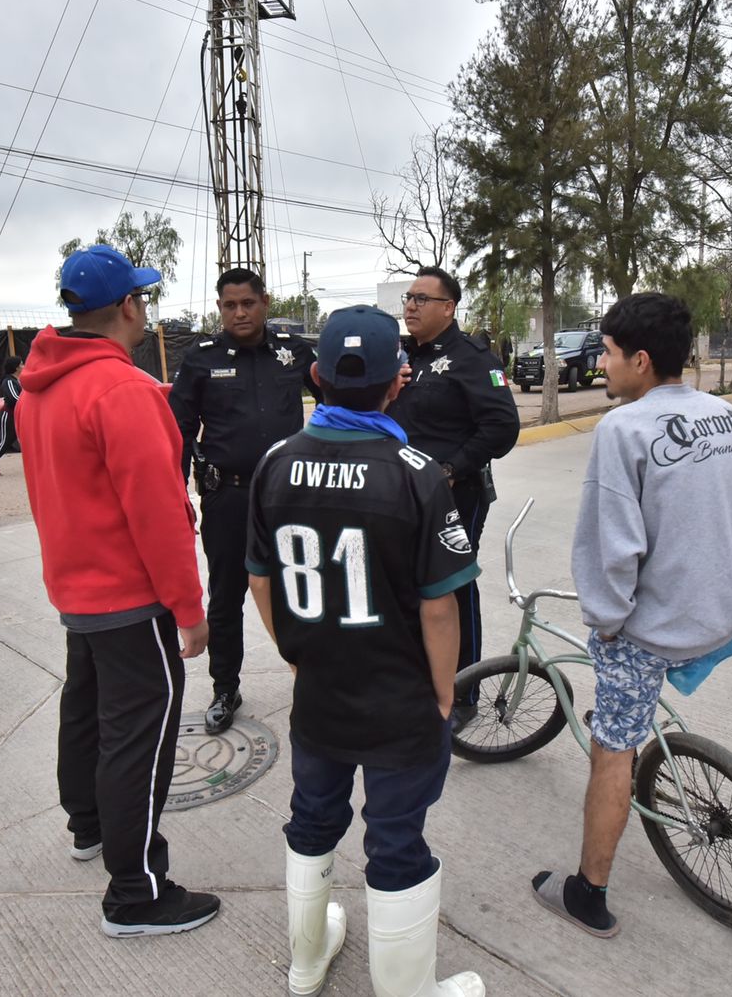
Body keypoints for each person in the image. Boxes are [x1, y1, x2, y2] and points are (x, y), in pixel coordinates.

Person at [531, 292, 732, 938]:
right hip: (724, 616)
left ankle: (588, 893)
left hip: (653, 632)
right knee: (625, 705)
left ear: (640, 361)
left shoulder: (624, 428)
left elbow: (609, 551)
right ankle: (632, 721)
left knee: (612, 746)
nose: (604, 366)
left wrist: (609, 623)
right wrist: (725, 582)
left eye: (610, 355)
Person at [246, 305, 485, 997]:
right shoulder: (415, 473)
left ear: (316, 377)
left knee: (313, 816)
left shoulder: (274, 463)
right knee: (397, 836)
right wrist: (444, 693)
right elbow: (440, 606)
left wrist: (294, 654)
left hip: (320, 689)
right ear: (397, 383)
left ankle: (306, 962)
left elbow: (259, 579)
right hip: (400, 697)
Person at [15, 243, 220, 938]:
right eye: (142, 298)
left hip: (78, 587)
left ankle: (89, 827)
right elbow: (158, 512)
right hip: (128, 595)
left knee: (88, 711)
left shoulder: (40, 385)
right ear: (129, 306)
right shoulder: (121, 389)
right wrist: (190, 611)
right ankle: (136, 892)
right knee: (140, 736)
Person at [168, 267, 319, 735]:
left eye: (247, 303)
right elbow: (178, 430)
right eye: (229, 305)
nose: (239, 312)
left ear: (265, 302)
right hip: (228, 496)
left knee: (302, 589)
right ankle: (224, 687)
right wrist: (178, 495)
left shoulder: (294, 354)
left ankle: (313, 681)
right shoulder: (201, 358)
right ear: (220, 308)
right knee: (226, 597)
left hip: (289, 496)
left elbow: (340, 401)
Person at [386, 266, 519, 729]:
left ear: (449, 307)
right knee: (406, 586)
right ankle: (419, 676)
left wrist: (449, 468)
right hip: (399, 495)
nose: (411, 306)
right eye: (408, 297)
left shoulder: (473, 358)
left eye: (422, 299)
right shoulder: (400, 355)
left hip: (454, 496)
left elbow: (502, 428)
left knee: (452, 587)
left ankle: (464, 692)